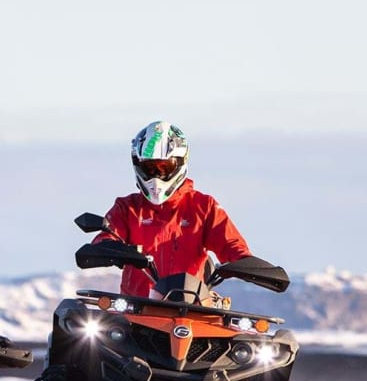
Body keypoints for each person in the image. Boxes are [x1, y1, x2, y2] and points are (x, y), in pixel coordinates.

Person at [92, 121, 252, 297]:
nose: (156, 175)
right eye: (150, 168)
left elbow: (232, 245)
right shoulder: (127, 207)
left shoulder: (203, 206)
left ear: (180, 163)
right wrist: (108, 247)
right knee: (82, 318)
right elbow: (107, 235)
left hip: (190, 307)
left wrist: (246, 264)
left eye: (164, 167)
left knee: (239, 324)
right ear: (138, 166)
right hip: (137, 309)